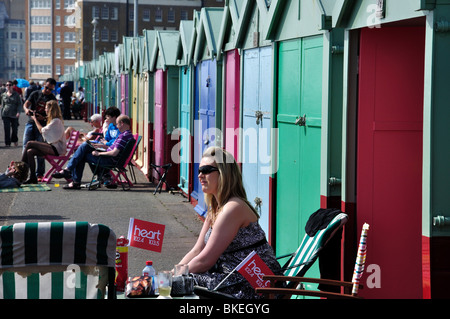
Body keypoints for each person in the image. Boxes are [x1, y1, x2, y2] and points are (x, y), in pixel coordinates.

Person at [177, 146, 283, 299]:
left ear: (223, 174)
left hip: (256, 285)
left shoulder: (233, 208)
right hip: (232, 277)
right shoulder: (216, 207)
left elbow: (206, 260)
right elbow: (197, 250)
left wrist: (174, 276)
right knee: (182, 279)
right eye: (199, 170)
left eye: (206, 170)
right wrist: (176, 270)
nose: (200, 175)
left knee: (184, 283)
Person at [52, 115, 134, 190]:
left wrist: (99, 153)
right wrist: (102, 147)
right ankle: (71, 175)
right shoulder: (127, 135)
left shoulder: (123, 136)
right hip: (110, 158)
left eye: (117, 124)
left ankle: (72, 177)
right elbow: (113, 149)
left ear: (122, 123)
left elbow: (114, 153)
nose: (116, 126)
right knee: (85, 147)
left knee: (82, 154)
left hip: (109, 160)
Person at [21, 100, 66, 184]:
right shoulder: (54, 120)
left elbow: (42, 131)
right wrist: (42, 118)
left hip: (57, 149)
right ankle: (33, 177)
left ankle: (21, 167)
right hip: (53, 147)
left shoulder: (56, 121)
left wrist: (35, 119)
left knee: (29, 143)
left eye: (46, 108)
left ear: (51, 109)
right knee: (30, 152)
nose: (45, 110)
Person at [22, 78, 57, 181]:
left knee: (39, 149)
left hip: (42, 127)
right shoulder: (35, 93)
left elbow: (54, 115)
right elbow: (26, 104)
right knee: (25, 146)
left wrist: (45, 118)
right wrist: (26, 110)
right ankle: (24, 172)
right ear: (43, 85)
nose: (47, 91)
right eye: (46, 88)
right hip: (31, 122)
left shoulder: (52, 98)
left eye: (50, 89)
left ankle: (39, 173)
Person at [1, 81, 22, 147]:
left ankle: (15, 140)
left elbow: (19, 104)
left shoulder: (16, 95)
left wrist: (18, 112)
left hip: (14, 114)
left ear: (12, 86)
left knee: (14, 129)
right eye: (7, 85)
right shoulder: (3, 95)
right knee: (6, 129)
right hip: (5, 114)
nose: (8, 86)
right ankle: (7, 143)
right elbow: (2, 105)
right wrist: (1, 114)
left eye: (10, 85)